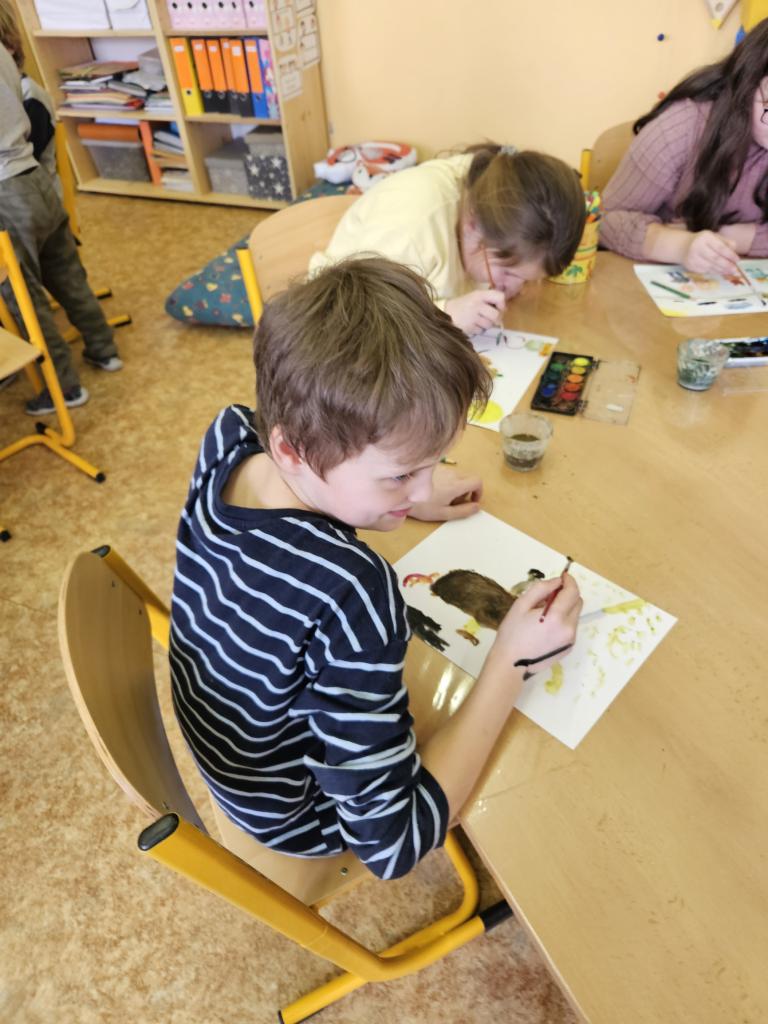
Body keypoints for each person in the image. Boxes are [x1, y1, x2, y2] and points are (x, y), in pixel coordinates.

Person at [170, 257, 581, 881]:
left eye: (433, 462)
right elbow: (393, 845)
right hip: (298, 814)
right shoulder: (352, 591)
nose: (424, 489)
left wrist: (403, 494)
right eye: (400, 473)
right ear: (293, 450)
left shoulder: (232, 434)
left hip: (237, 757)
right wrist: (511, 661)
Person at [309, 145, 586, 336]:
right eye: (510, 274)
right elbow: (352, 321)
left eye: (526, 280)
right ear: (475, 224)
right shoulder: (412, 224)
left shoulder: (494, 193)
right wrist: (444, 316)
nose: (513, 288)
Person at [0, 3, 122, 414]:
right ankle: (104, 349)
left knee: (23, 297)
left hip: (6, 192)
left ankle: (64, 387)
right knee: (67, 274)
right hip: (35, 179)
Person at [600, 18, 768, 274]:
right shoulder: (680, 127)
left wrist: (725, 236)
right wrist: (681, 246)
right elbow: (604, 220)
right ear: (746, 84)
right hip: (647, 280)